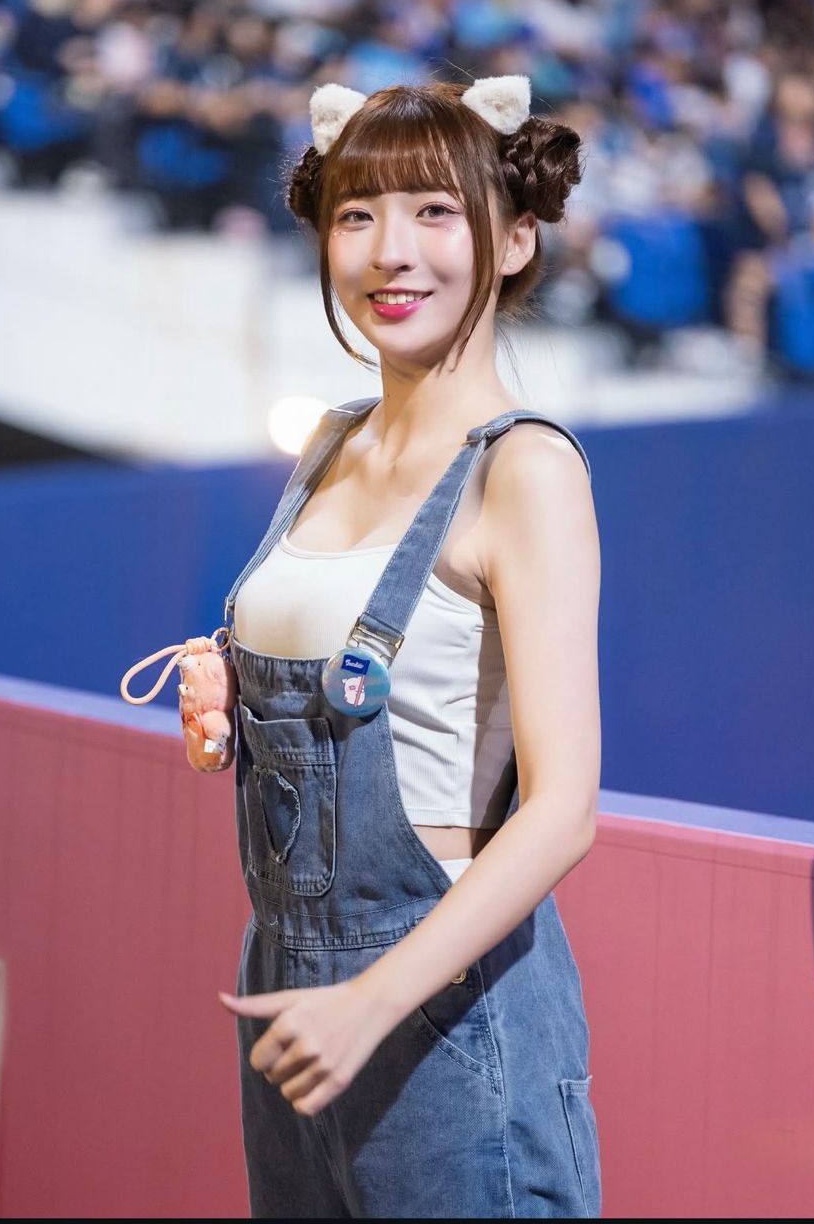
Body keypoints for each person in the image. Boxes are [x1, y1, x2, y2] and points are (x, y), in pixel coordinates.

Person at [217, 75, 602, 1219]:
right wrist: (221, 679)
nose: (391, 251)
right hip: (288, 977)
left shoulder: (525, 467)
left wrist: (373, 998)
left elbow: (563, 808)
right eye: (357, 213)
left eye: (435, 211)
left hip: (441, 1003)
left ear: (514, 238)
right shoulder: (330, 443)